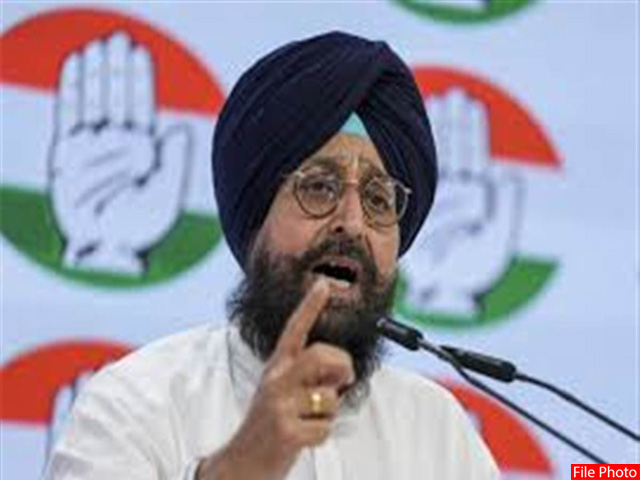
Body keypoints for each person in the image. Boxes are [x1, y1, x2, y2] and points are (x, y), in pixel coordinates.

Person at [44, 32, 500, 480]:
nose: (353, 223)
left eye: (379, 200)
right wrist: (240, 467)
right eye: (319, 187)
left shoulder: (439, 433)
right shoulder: (133, 406)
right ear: (255, 217)